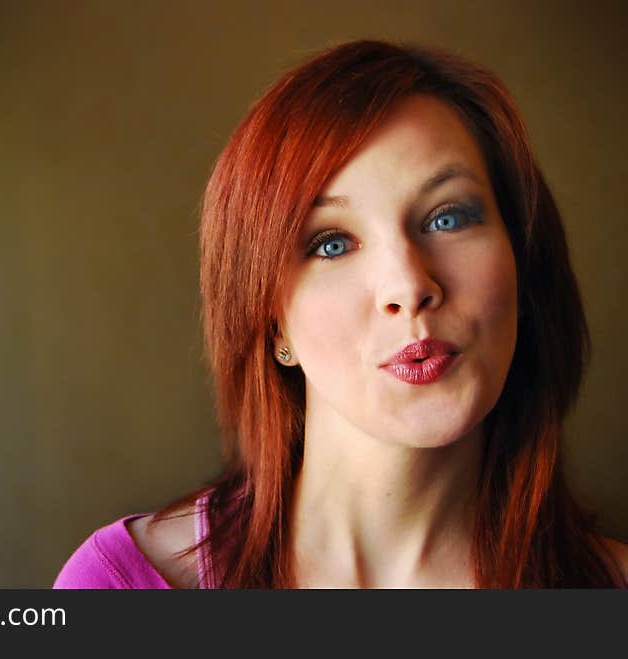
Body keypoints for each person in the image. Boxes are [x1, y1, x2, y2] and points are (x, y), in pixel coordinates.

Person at [53, 39, 628, 589]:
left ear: (521, 262)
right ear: (275, 324)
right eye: (331, 243)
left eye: (447, 218)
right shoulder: (121, 586)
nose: (408, 286)